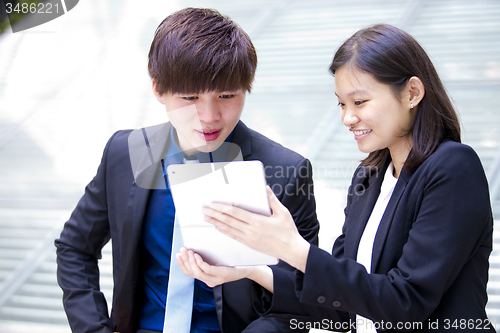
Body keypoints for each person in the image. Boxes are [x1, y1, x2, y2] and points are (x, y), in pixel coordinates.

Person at [179, 24, 496, 332]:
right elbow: (343, 311)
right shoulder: (368, 179)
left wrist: (292, 248)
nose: (347, 117)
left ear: (412, 92)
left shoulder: (453, 168)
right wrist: (250, 270)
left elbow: (405, 303)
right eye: (342, 104)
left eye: (359, 102)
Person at [54, 7, 319, 333]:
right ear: (158, 90)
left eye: (226, 95)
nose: (209, 117)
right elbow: (75, 248)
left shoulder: (286, 171)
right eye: (190, 97)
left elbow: (308, 296)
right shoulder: (125, 153)